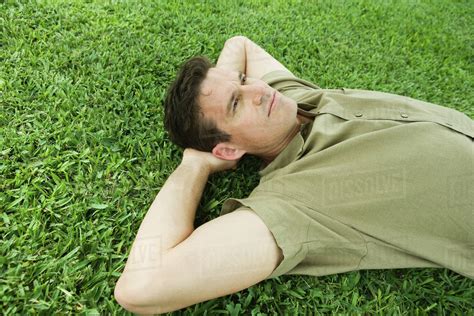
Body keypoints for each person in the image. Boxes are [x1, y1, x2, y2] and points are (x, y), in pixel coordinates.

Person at [114, 36, 474, 314]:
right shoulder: (293, 200)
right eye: (236, 104)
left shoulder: (294, 99)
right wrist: (195, 164)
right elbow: (140, 288)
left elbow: (239, 43)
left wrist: (226, 85)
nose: (258, 90)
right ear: (227, 150)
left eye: (242, 81)